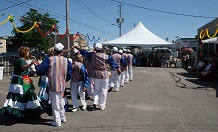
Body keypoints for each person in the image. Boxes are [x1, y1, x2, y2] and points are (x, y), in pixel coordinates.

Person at [72, 43, 121, 111]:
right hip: (104, 75)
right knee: (104, 90)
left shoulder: (92, 55)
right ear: (101, 49)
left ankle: (95, 101)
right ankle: (102, 105)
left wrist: (77, 48)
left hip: (96, 75)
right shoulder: (106, 56)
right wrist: (118, 67)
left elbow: (84, 52)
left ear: (95, 49)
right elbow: (112, 63)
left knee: (96, 89)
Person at [0, 46, 44, 118]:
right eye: (28, 51)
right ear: (25, 52)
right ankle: (21, 111)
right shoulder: (21, 60)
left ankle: (22, 110)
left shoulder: (22, 60)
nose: (28, 53)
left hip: (22, 79)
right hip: (20, 80)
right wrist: (30, 64)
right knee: (21, 95)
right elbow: (23, 67)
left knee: (24, 95)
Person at [35, 43, 73, 127]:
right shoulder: (66, 60)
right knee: (60, 101)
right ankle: (62, 117)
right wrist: (65, 79)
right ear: (62, 51)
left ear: (54, 50)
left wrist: (37, 66)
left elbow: (41, 70)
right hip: (62, 84)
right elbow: (70, 73)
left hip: (53, 84)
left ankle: (57, 121)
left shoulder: (49, 59)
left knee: (55, 103)